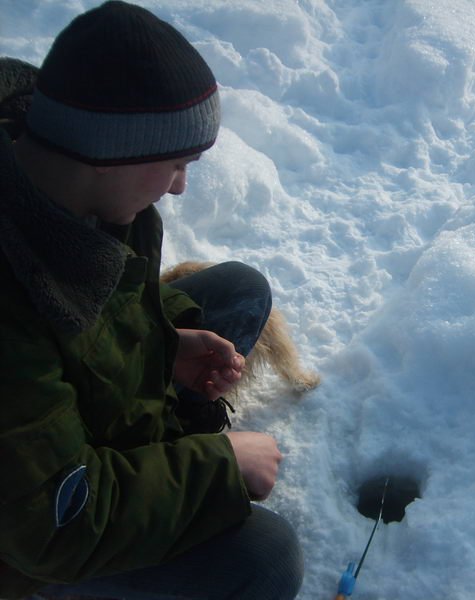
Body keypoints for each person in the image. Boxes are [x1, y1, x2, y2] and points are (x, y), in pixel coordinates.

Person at [0, 2, 303, 598]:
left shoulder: (86, 194)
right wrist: (220, 467)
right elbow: (56, 525)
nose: (181, 185)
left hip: (73, 418)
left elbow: (95, 309)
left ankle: (162, 438)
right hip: (34, 540)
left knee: (239, 289)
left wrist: (167, 343)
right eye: (175, 164)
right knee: (265, 559)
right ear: (112, 156)